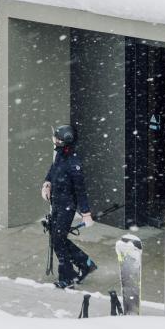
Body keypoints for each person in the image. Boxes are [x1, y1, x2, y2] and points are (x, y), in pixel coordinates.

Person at [42, 123, 96, 288]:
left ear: (64, 141)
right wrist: (47, 183)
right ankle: (85, 263)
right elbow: (53, 169)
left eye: (56, 138)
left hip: (67, 206)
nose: (54, 140)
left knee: (58, 240)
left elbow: (81, 191)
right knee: (58, 238)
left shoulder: (74, 164)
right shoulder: (60, 155)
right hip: (57, 203)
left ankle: (67, 276)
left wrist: (86, 213)